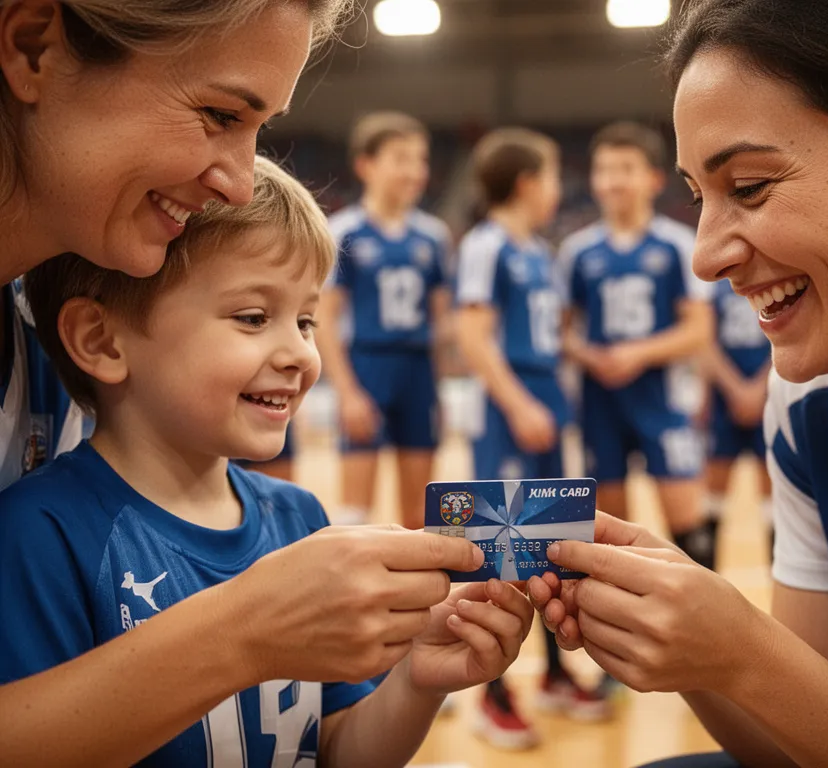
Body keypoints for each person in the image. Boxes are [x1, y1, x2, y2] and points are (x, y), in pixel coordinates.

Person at [529, 0, 828, 766]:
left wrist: (741, 649)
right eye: (699, 197)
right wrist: (687, 646)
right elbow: (808, 744)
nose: (705, 255)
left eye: (750, 186)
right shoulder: (811, 395)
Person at [0, 3, 482, 764]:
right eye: (219, 112)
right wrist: (246, 632)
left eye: (309, 322)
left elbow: (337, 747)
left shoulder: (296, 517)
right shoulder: (45, 531)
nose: (234, 180)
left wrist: (419, 680)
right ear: (32, 49)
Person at [456, 128, 611, 750]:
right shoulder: (486, 245)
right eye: (549, 177)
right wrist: (518, 403)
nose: (557, 189)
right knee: (497, 548)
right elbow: (473, 335)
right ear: (526, 183)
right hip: (507, 408)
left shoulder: (536, 250)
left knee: (551, 542)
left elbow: (547, 334)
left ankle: (552, 671)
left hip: (543, 400)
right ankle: (488, 693)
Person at [559, 121, 716, 569]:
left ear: (653, 178)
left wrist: (637, 353)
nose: (612, 180)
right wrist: (591, 355)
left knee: (690, 527)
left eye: (625, 168)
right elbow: (561, 334)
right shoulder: (577, 252)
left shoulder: (676, 245)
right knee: (608, 533)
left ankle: (704, 629)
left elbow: (699, 331)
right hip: (599, 403)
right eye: (603, 169)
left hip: (660, 398)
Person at [318, 112, 452, 529]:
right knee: (357, 512)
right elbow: (325, 317)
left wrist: (440, 388)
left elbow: (441, 321)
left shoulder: (433, 236)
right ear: (366, 165)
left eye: (420, 160)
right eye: (401, 158)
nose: (414, 171)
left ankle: (416, 596)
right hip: (367, 366)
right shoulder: (344, 232)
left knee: (420, 514)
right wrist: (346, 391)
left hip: (417, 371)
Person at [701, 278, 772, 556]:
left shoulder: (778, 281)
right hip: (723, 400)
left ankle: (780, 588)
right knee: (713, 493)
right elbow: (704, 342)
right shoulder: (712, 288)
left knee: (775, 494)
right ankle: (704, 577)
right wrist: (735, 390)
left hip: (771, 395)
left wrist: (759, 388)